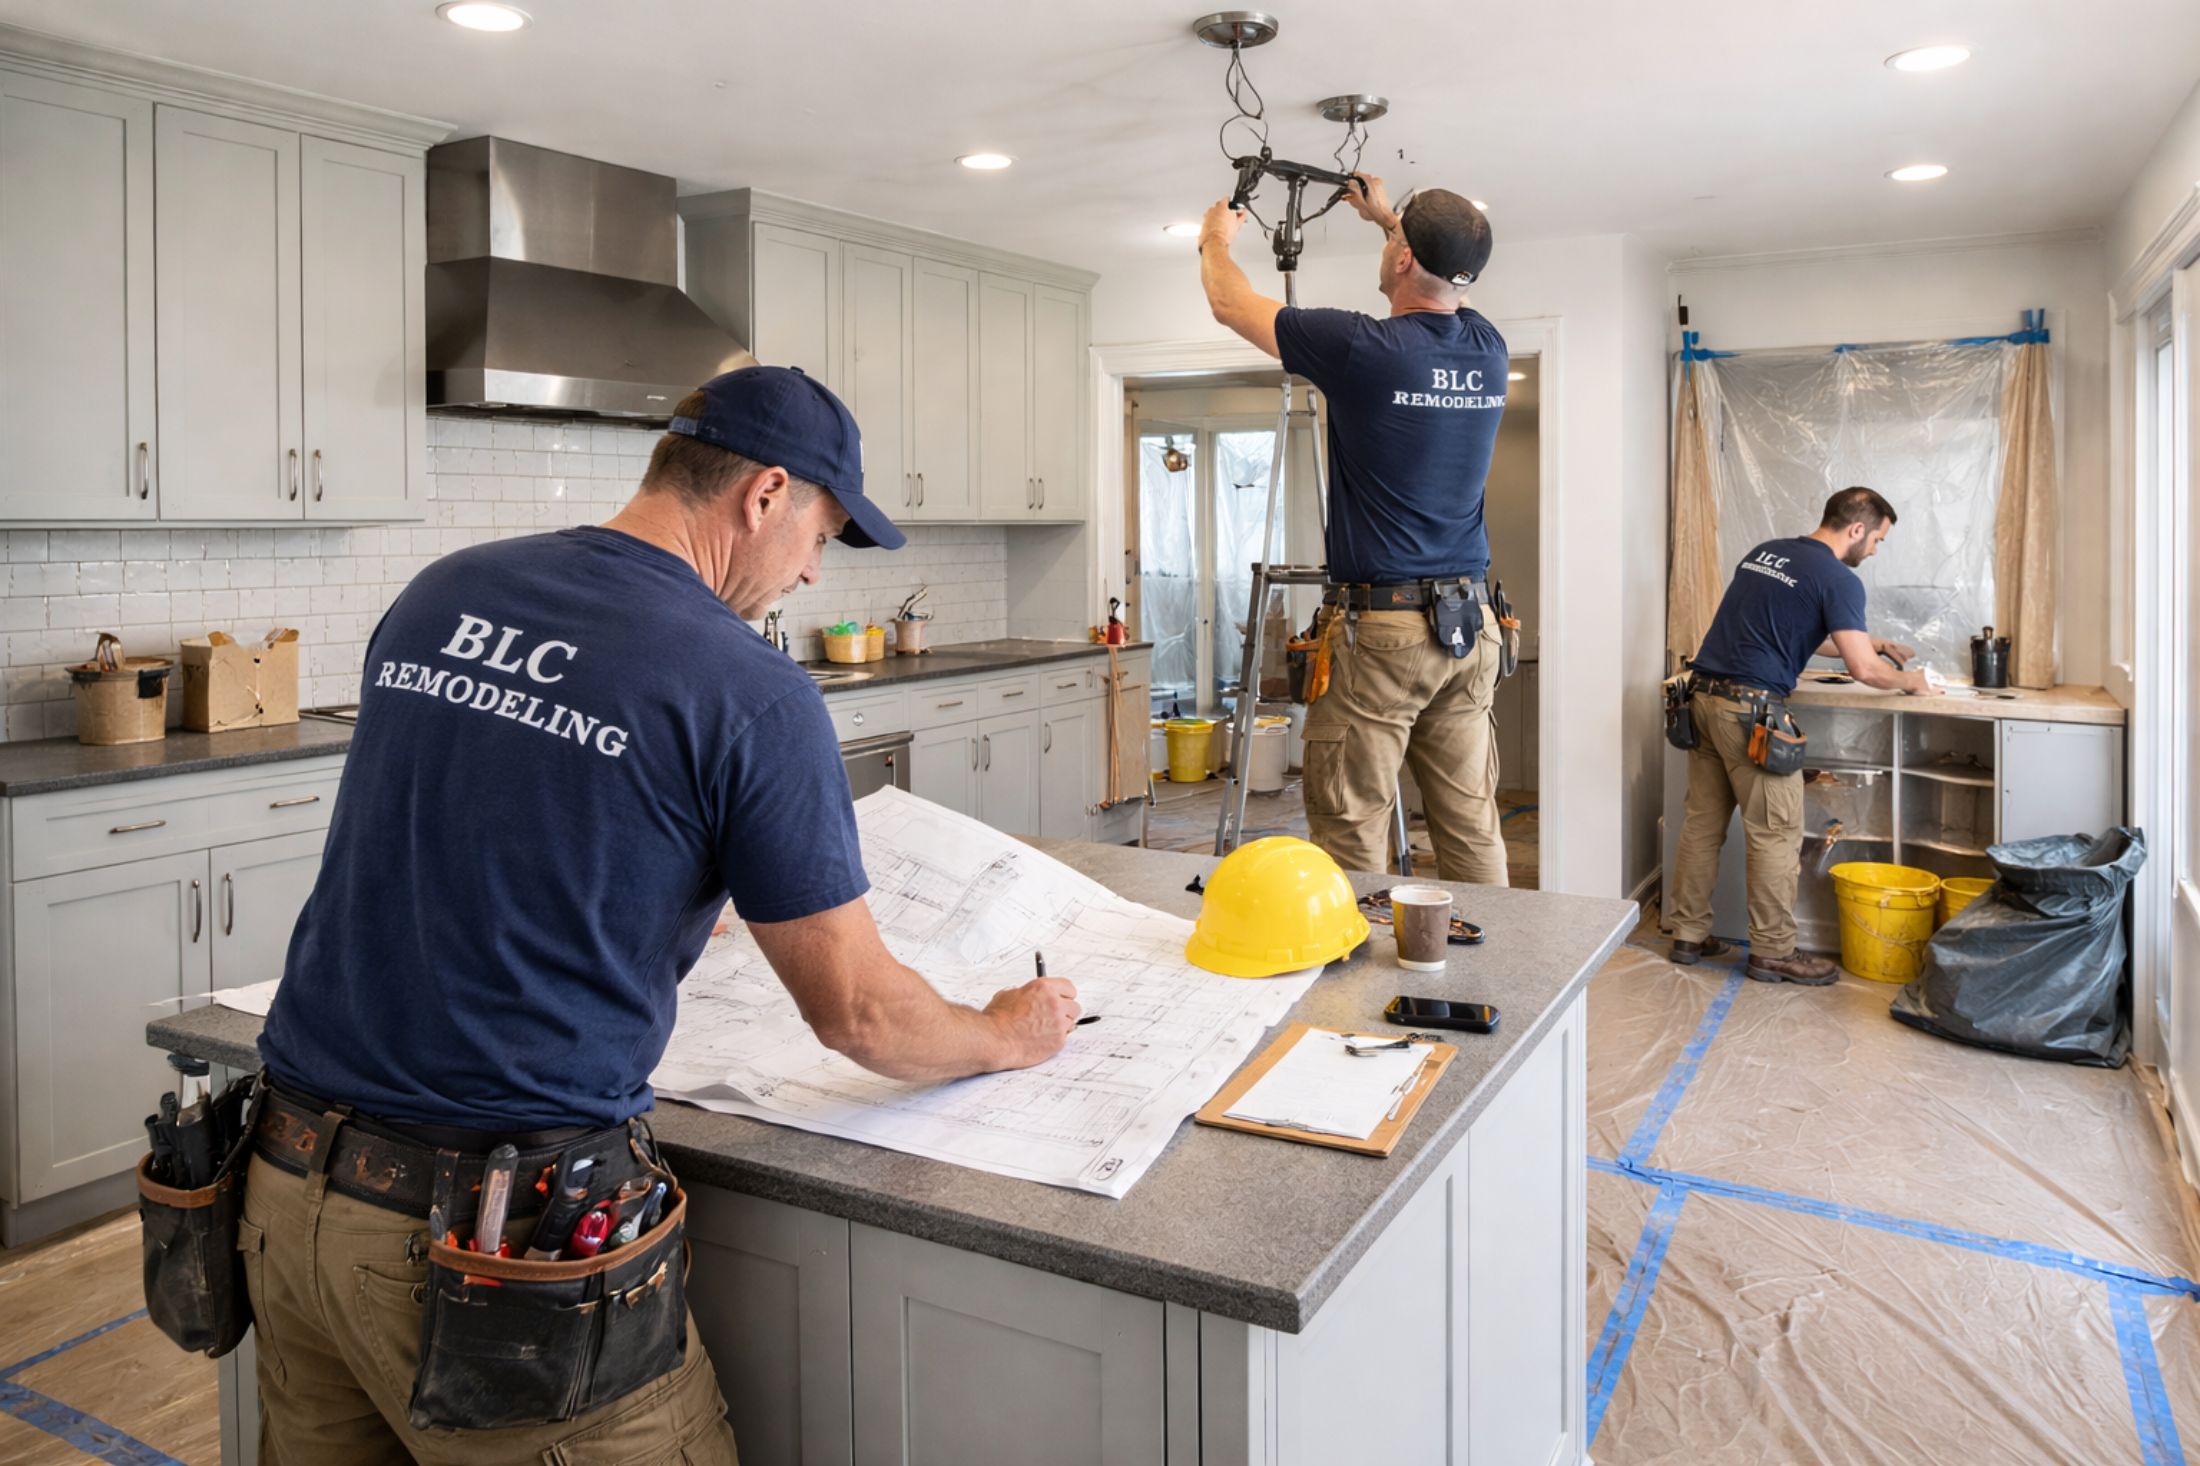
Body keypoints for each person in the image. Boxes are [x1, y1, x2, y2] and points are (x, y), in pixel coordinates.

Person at [246, 366, 1082, 1464]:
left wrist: (655, 888)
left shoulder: (443, 592)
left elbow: (481, 817)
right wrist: (1005, 1031)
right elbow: (860, 1013)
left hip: (284, 1191)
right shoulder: (748, 687)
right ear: (766, 493)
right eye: (821, 536)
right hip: (493, 1243)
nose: (811, 570)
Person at [1196, 175, 1511, 883]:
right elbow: (1442, 276)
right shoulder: (1487, 348)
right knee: (1470, 824)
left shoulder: (1362, 347)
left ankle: (1360, 959)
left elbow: (1229, 302)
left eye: (1398, 241)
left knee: (1352, 820)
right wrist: (1388, 218)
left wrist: (1215, 237)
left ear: (1402, 258)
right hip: (1470, 627)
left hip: (1387, 635)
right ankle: (1500, 956)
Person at [1666, 486, 1940, 984]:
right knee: (1775, 834)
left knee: (1701, 827)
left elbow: (1789, 627)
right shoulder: (1839, 579)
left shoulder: (1766, 553)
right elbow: (1863, 670)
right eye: (1877, 540)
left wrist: (1871, 640)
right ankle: (1773, 951)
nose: (1874, 551)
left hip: (1701, 700)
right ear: (1856, 529)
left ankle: (1687, 934)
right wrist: (1912, 682)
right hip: (1750, 713)